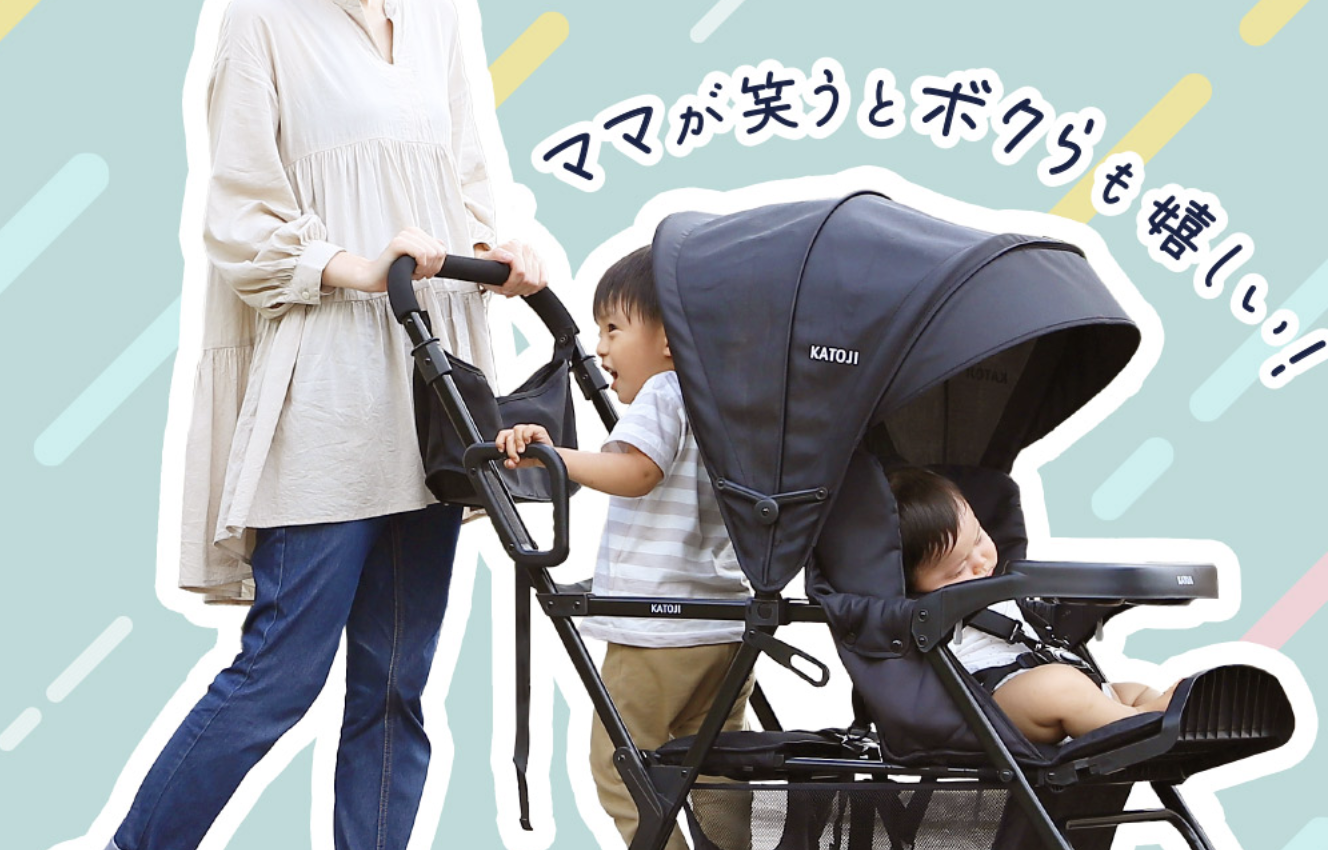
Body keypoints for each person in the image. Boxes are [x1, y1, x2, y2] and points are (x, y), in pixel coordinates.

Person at [107, 2, 546, 849]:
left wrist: (503, 248)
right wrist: (359, 267)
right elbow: (240, 222)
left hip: (433, 396)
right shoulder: (262, 21)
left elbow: (465, 182)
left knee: (396, 687)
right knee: (278, 674)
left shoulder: (438, 17)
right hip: (328, 397)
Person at [496, 246, 751, 850]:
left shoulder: (666, 391)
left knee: (621, 764)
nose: (601, 347)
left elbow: (637, 472)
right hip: (725, 625)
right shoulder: (727, 403)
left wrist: (553, 457)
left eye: (613, 328)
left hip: (657, 630)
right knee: (714, 764)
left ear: (670, 338)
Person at [887, 467, 1177, 745]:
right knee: (1060, 685)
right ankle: (1140, 722)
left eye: (978, 538)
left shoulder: (1003, 589)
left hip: (1047, 684)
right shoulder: (918, 616)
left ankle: (1167, 713)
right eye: (958, 569)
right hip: (993, 704)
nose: (981, 562)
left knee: (1129, 691)